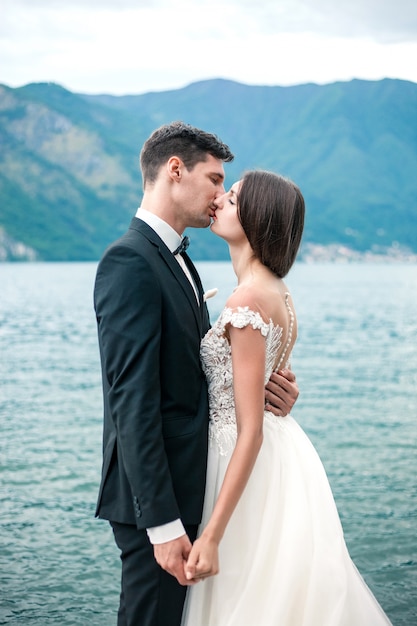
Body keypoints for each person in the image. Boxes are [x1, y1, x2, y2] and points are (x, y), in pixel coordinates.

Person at [93, 122, 299, 626]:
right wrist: (161, 523)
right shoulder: (130, 261)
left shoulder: (180, 259)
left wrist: (267, 387)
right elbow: (132, 402)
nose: (219, 195)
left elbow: (196, 370)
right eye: (214, 179)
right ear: (175, 169)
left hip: (195, 486)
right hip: (160, 502)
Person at [181, 171, 392, 625]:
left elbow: (250, 427)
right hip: (281, 453)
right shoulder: (279, 292)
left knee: (250, 598)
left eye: (232, 198)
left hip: (243, 456)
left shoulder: (247, 300)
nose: (219, 200)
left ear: (257, 217)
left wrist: (212, 535)